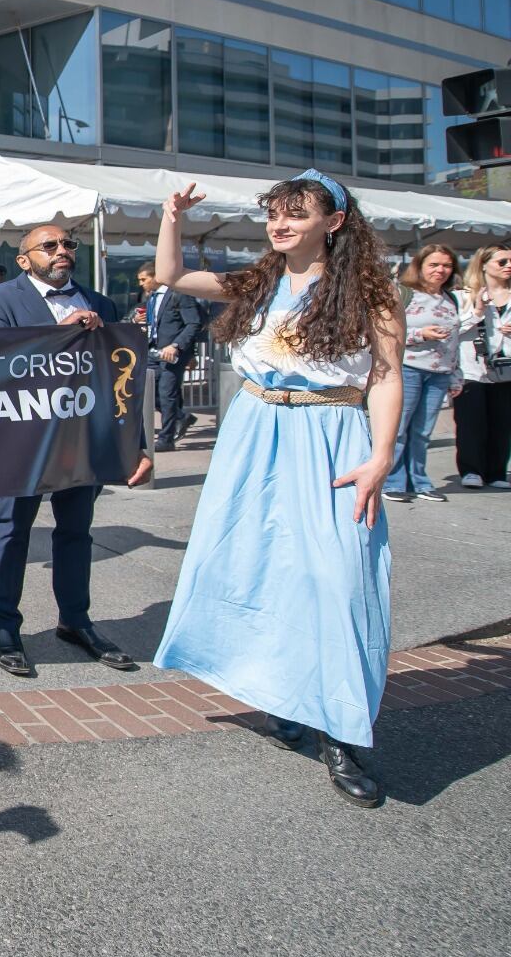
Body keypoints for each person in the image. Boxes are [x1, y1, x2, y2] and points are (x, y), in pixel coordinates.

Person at [151, 172, 402, 808]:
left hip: (331, 436)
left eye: (297, 213)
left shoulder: (371, 293)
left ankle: (342, 732)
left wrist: (381, 457)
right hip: (257, 431)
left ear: (334, 222)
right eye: (274, 214)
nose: (280, 224)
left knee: (340, 579)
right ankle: (285, 698)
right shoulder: (258, 281)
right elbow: (173, 276)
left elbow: (387, 377)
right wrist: (172, 216)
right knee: (263, 571)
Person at [0, 226, 152, 677]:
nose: (62, 252)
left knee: (77, 532)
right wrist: (58, 334)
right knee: (13, 529)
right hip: (23, 442)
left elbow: (120, 384)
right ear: (24, 259)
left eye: (68, 244)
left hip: (81, 441)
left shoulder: (101, 303)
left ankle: (75, 620)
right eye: (48, 246)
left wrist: (139, 447)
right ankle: (5, 628)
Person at [381, 244, 462, 503]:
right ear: (420, 266)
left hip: (439, 373)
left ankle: (419, 481)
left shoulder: (452, 299)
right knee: (399, 428)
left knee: (423, 432)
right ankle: (392, 480)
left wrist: (455, 375)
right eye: (434, 264)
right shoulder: (404, 294)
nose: (441, 270)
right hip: (409, 368)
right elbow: (387, 333)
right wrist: (420, 334)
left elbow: (454, 341)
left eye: (446, 265)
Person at [454, 244, 511, 489]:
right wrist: (476, 312)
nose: (508, 266)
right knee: (471, 422)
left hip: (506, 370)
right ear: (484, 264)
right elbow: (451, 329)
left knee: (503, 423)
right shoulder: (464, 296)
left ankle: (497, 472)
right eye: (502, 262)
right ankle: (472, 470)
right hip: (472, 369)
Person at [133, 260, 203, 451]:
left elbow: (193, 323)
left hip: (172, 354)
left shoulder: (179, 295)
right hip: (153, 352)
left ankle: (166, 439)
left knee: (167, 394)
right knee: (146, 390)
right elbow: (154, 322)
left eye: (144, 279)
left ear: (156, 276)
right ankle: (180, 416)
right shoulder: (152, 297)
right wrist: (137, 319)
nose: (141, 283)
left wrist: (177, 346)